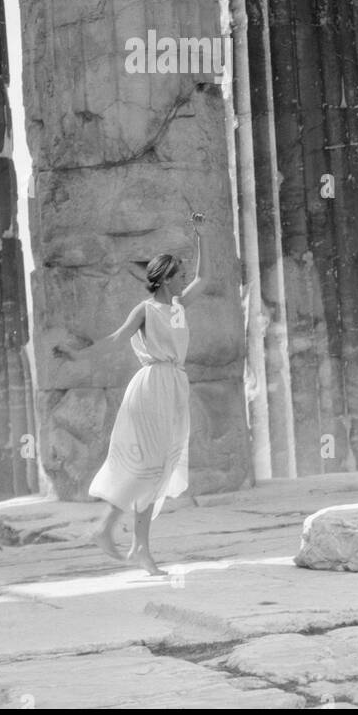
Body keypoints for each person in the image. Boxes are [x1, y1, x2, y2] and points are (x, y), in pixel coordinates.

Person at [57, 216, 208, 576]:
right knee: (146, 466)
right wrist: (79, 355)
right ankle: (105, 527)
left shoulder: (179, 307)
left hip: (174, 387)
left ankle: (140, 546)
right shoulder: (146, 310)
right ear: (167, 278)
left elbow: (205, 279)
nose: (185, 278)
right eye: (179, 274)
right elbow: (115, 339)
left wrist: (200, 237)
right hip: (151, 386)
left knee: (160, 469)